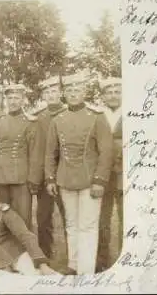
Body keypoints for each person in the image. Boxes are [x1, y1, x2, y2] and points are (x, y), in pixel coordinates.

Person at [45, 72, 113, 274]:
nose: (73, 94)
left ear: (84, 92)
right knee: (71, 225)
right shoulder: (58, 119)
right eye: (69, 91)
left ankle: (86, 269)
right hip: (66, 179)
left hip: (90, 181)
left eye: (77, 90)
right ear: (64, 94)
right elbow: (50, 152)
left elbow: (106, 151)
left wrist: (100, 180)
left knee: (88, 226)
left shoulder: (97, 117)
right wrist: (50, 178)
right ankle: (73, 266)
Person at [0, 175, 60, 276]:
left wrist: (42, 264)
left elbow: (25, 235)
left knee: (33, 278)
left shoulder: (3, 211)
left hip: (16, 254)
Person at [0, 84, 41, 229]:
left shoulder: (30, 122)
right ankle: (6, 250)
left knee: (23, 218)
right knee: (2, 217)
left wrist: (33, 178)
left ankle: (25, 250)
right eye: (10, 98)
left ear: (23, 100)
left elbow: (35, 153)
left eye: (17, 98)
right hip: (1, 177)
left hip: (21, 177)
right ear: (5, 100)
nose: (13, 101)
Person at [29, 75, 68, 259]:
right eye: (47, 92)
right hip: (46, 175)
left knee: (70, 217)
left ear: (61, 93)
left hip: (67, 174)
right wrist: (37, 178)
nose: (51, 95)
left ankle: (73, 257)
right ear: (43, 95)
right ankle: (45, 254)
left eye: (54, 91)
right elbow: (36, 150)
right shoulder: (38, 118)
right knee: (43, 217)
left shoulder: (69, 112)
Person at [96, 77, 123, 273]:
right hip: (104, 174)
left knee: (125, 218)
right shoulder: (99, 115)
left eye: (117, 92)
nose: (113, 96)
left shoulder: (133, 113)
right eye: (109, 92)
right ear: (103, 96)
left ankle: (125, 257)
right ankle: (102, 259)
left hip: (124, 174)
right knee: (102, 219)